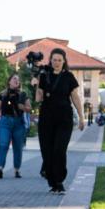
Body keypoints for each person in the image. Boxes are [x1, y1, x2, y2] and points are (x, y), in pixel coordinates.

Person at [36, 48, 85, 194]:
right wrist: (37, 84)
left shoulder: (69, 77)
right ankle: (52, 182)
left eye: (59, 60)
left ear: (64, 61)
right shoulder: (44, 76)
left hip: (64, 118)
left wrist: (82, 117)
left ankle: (59, 181)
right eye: (54, 60)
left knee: (59, 150)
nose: (56, 62)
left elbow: (75, 97)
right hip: (46, 118)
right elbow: (38, 98)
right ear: (50, 61)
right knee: (47, 151)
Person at [0, 73, 31, 179]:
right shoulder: (3, 94)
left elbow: (29, 108)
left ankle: (17, 169)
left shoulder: (23, 94)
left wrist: (23, 108)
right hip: (5, 122)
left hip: (19, 123)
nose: (17, 80)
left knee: (18, 147)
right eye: (14, 79)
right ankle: (0, 168)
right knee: (3, 144)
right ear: (9, 81)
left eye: (18, 79)